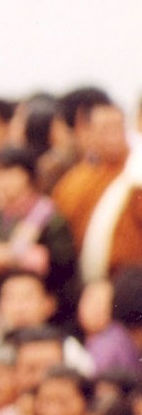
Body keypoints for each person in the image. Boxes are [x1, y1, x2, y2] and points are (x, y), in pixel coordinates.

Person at [0, 145, 78, 320]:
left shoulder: (50, 219)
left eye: (10, 174)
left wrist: (7, 256)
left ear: (29, 177)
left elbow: (62, 267)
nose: (1, 181)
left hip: (42, 309)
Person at [53, 99, 142, 282]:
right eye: (105, 129)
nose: (114, 135)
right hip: (86, 283)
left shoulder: (136, 173)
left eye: (118, 127)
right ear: (87, 132)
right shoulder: (71, 184)